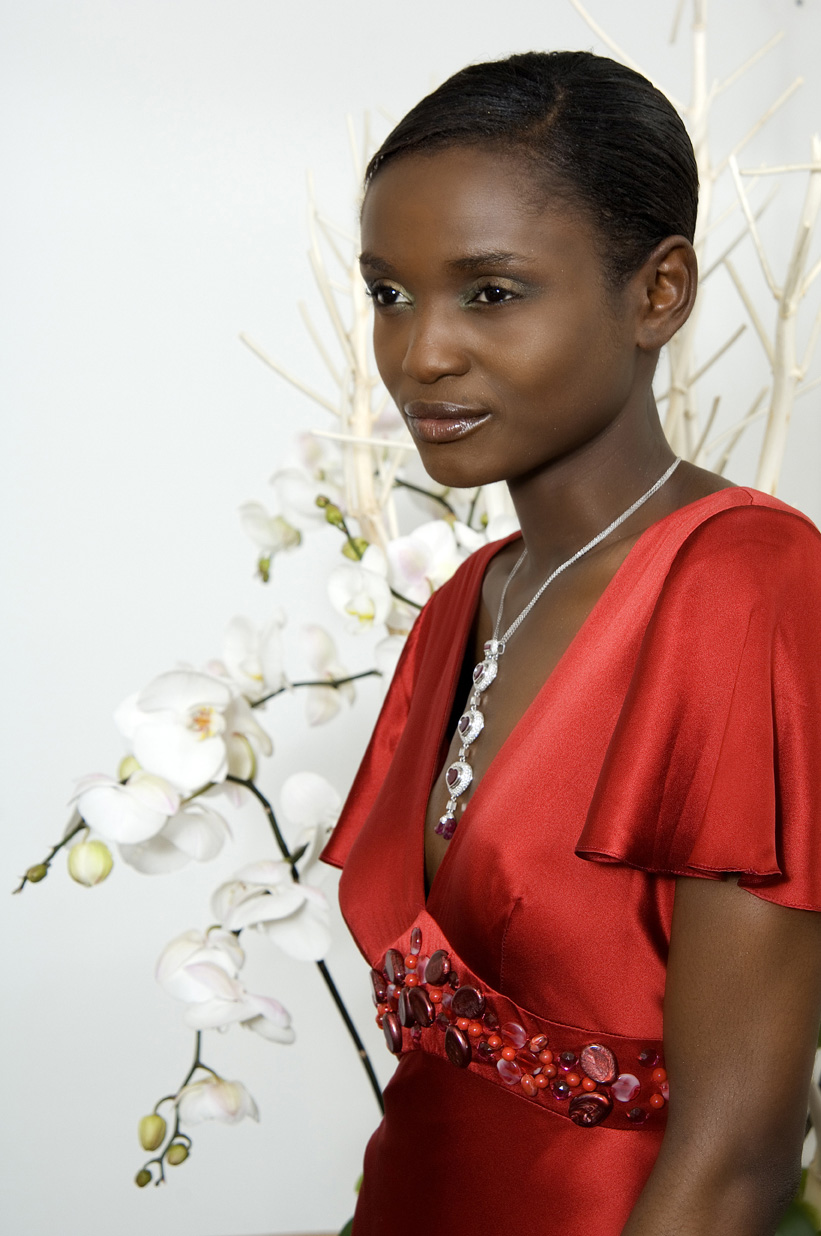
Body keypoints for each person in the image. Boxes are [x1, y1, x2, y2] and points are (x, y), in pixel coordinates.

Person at [321, 50, 821, 1235]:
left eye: (490, 292)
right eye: (389, 293)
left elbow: (735, 1156)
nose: (419, 354)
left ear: (657, 292)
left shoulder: (744, 587)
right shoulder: (466, 600)